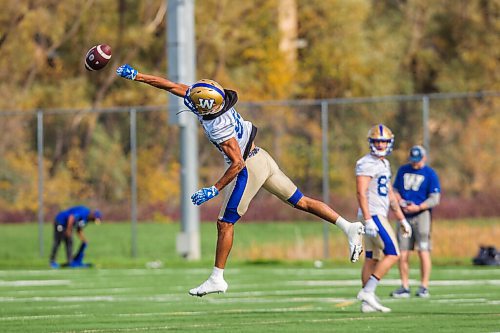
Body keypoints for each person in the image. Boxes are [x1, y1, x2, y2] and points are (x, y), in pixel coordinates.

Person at [116, 64, 365, 297]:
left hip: (249, 167)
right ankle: (348, 226)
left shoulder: (218, 126)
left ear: (206, 107)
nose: (189, 100)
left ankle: (217, 277)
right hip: (263, 158)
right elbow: (170, 85)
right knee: (302, 202)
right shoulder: (213, 101)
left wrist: (213, 189)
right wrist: (137, 76)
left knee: (225, 223)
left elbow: (238, 164)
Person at [355, 124, 412, 313]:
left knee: (371, 258)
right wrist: (369, 218)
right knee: (393, 253)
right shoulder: (366, 162)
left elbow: (389, 194)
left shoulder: (384, 164)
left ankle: (366, 303)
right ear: (371, 142)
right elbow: (361, 192)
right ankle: (368, 291)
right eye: (378, 141)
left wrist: (401, 219)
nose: (381, 145)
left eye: (384, 141)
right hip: (373, 214)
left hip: (375, 214)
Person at [390, 145, 441, 298]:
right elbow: (395, 190)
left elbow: (435, 198)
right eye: (413, 160)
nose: (415, 163)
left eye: (418, 160)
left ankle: (424, 286)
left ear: (424, 158)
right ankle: (404, 286)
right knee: (403, 252)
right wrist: (401, 202)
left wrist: (418, 207)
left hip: (422, 216)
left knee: (423, 250)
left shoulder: (430, 174)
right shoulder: (403, 170)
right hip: (404, 216)